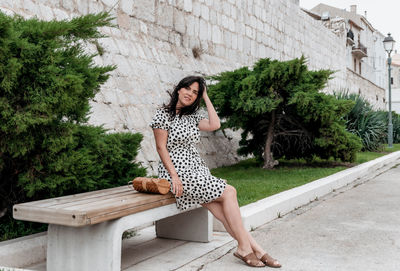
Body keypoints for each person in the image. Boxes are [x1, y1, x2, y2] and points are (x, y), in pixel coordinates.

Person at [150, 75, 281, 268]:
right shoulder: (162, 115)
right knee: (229, 192)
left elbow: (215, 124)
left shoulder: (193, 117)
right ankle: (250, 248)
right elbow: (161, 148)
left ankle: (252, 249)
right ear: (179, 89)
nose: (190, 94)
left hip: (197, 170)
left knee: (222, 212)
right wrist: (175, 177)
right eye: (188, 89)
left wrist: (206, 97)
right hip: (177, 172)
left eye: (195, 93)